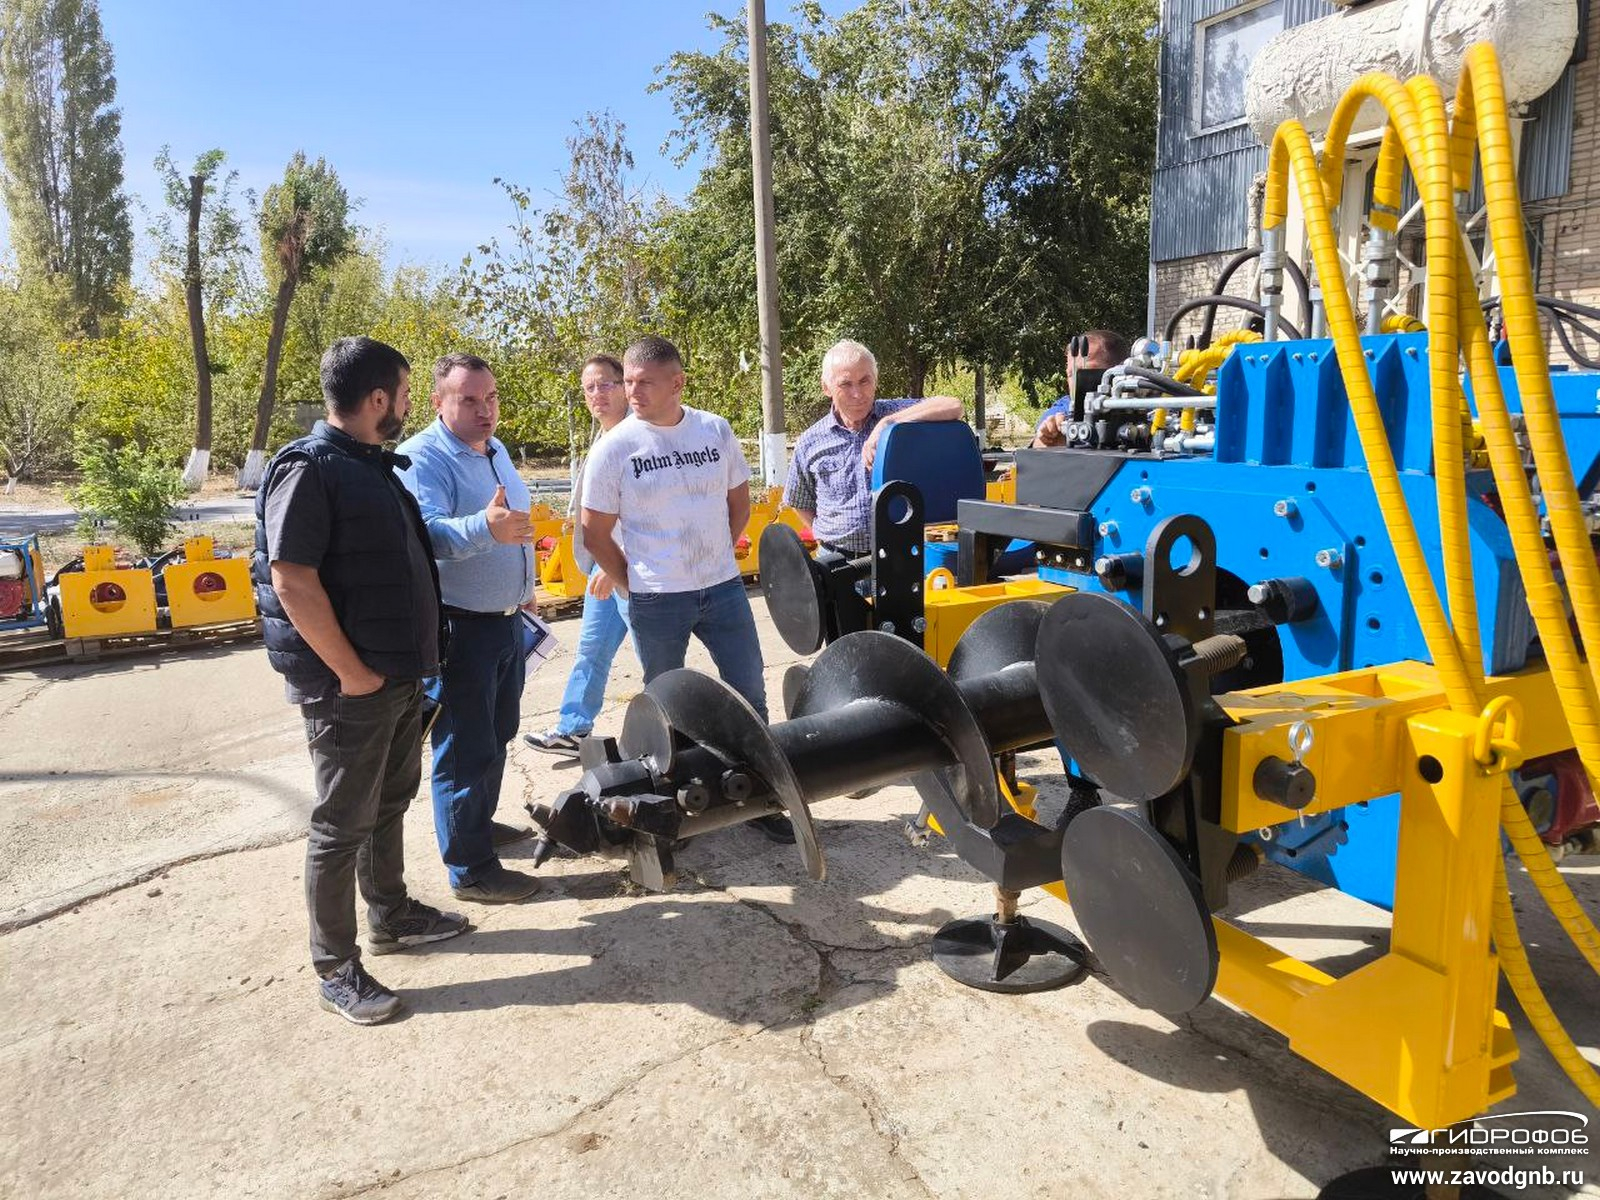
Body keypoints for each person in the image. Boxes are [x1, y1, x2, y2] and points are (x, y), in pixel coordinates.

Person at [253, 336, 467, 1027]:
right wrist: (352, 674)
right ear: (378, 399)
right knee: (340, 823)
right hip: (350, 688)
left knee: (388, 801)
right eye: (406, 395)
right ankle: (335, 967)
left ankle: (392, 914)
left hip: (396, 677)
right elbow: (292, 579)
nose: (408, 406)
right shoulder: (309, 468)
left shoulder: (367, 465)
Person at [580, 335, 792, 842]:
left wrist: (719, 549)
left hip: (722, 590)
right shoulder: (616, 448)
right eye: (627, 381)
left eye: (644, 382)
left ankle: (762, 796)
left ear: (677, 382)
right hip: (657, 602)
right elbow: (592, 530)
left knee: (749, 694)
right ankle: (674, 808)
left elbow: (738, 503)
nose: (632, 391)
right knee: (665, 707)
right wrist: (634, 582)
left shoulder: (713, 431)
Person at [398, 353, 542, 905]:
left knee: (497, 732)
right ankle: (470, 869)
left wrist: (523, 581)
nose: (486, 411)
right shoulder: (421, 458)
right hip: (461, 630)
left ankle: (477, 826)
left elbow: (512, 523)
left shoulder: (495, 449)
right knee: (463, 747)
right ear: (438, 403)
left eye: (491, 398)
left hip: (505, 623)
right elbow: (427, 536)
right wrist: (486, 527)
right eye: (468, 401)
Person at [524, 354, 633, 756]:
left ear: (626, 386)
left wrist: (614, 563)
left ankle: (681, 724)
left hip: (627, 573)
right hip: (600, 573)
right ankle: (574, 729)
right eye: (589, 387)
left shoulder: (635, 439)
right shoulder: (603, 439)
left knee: (655, 656)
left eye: (606, 384)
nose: (597, 394)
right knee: (591, 651)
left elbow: (644, 515)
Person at [782, 339, 964, 556]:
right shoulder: (810, 441)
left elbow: (953, 406)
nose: (857, 394)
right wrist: (828, 536)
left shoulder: (895, 414)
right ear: (826, 388)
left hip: (899, 559)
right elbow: (798, 500)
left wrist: (888, 424)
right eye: (846, 384)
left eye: (864, 381)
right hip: (837, 563)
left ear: (875, 381)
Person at [1030, 329, 1131, 449]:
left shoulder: (1147, 410)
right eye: (1071, 374)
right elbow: (1040, 444)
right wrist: (1047, 441)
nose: (1077, 382)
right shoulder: (1062, 411)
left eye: (1087, 371)